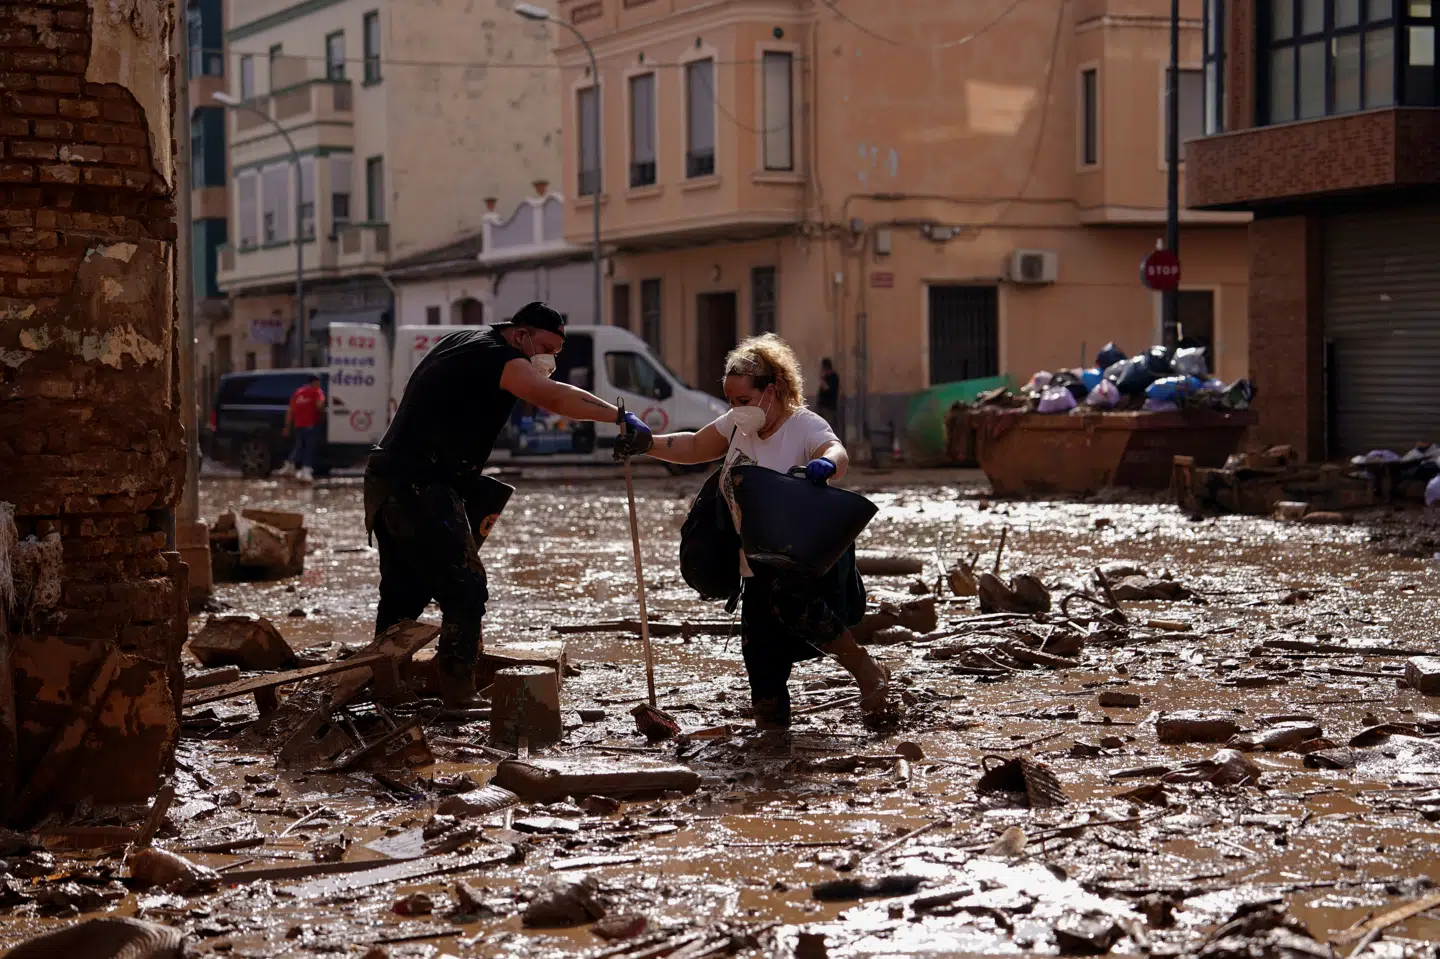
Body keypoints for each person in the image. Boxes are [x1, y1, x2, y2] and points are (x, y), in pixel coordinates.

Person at [364, 302, 653, 707]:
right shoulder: (498, 356)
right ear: (521, 334)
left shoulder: (465, 341)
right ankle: (457, 692)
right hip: (419, 481)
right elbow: (552, 396)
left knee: (404, 592)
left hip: (391, 476)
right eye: (547, 347)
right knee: (465, 587)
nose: (550, 359)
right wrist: (620, 417)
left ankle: (384, 688)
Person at [643, 334, 889, 730]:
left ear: (771, 391)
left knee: (798, 610)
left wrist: (826, 464)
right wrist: (644, 442)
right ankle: (772, 738)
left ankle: (865, 669)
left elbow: (835, 450)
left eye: (743, 400)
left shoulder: (803, 424)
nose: (735, 409)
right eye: (730, 402)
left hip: (799, 558)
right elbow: (690, 447)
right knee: (759, 655)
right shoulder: (737, 426)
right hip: (751, 559)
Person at [281, 375, 326, 483]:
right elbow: (319, 405)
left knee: (300, 445)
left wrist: (287, 426)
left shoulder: (299, 392)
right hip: (311, 424)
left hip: (299, 424)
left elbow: (290, 410)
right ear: (315, 382)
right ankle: (306, 471)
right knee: (309, 447)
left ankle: (289, 465)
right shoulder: (317, 391)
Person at [815, 357, 841, 435]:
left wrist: (822, 379)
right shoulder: (827, 377)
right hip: (823, 407)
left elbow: (827, 388)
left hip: (829, 408)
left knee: (828, 428)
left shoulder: (833, 377)